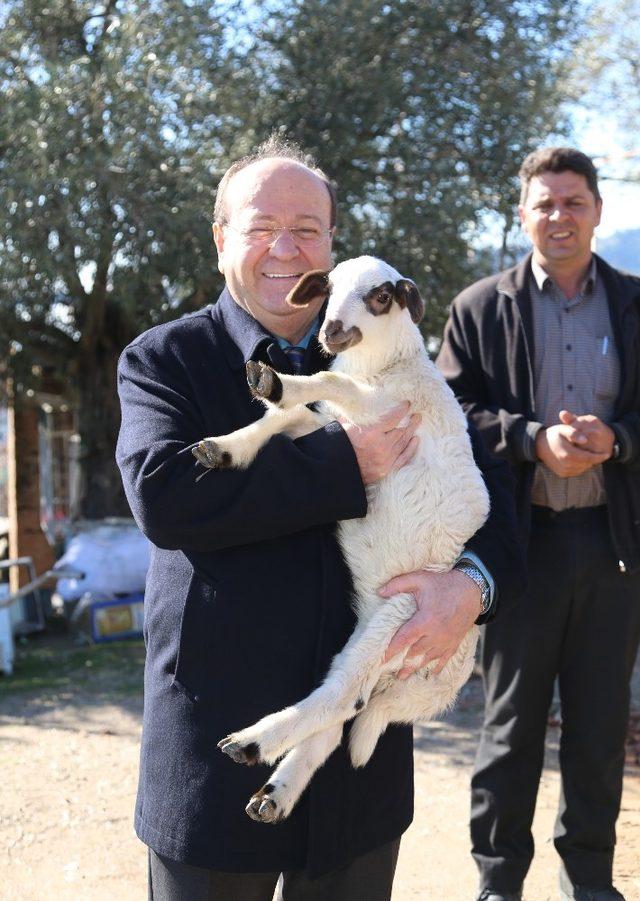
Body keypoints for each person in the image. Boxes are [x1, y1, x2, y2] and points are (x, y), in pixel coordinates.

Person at [116, 135, 525, 901]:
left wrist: (471, 587)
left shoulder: (399, 361)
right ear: (220, 239)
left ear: (333, 245)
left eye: (307, 228)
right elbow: (163, 494)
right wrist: (346, 463)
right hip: (215, 762)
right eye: (261, 224)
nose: (284, 246)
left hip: (355, 787)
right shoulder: (162, 360)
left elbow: (499, 492)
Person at [437, 146, 640, 901]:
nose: (560, 215)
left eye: (574, 201)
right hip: (519, 550)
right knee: (510, 726)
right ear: (522, 214)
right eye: (545, 203)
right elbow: (449, 413)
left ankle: (588, 880)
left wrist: (616, 442)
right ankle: (498, 884)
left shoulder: (634, 304)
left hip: (615, 548)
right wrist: (531, 442)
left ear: (597, 210)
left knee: (597, 728)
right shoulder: (479, 308)